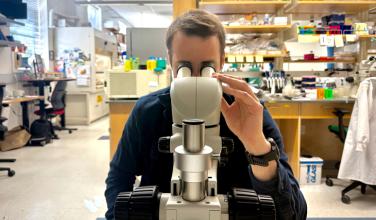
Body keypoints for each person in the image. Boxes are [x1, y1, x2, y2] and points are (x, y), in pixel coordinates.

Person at [105, 9, 307, 220]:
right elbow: (119, 178)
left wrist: (256, 145)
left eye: (207, 68)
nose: (195, 81)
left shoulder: (249, 112)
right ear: (169, 60)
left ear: (222, 61)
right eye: (184, 67)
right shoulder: (147, 112)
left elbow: (294, 214)